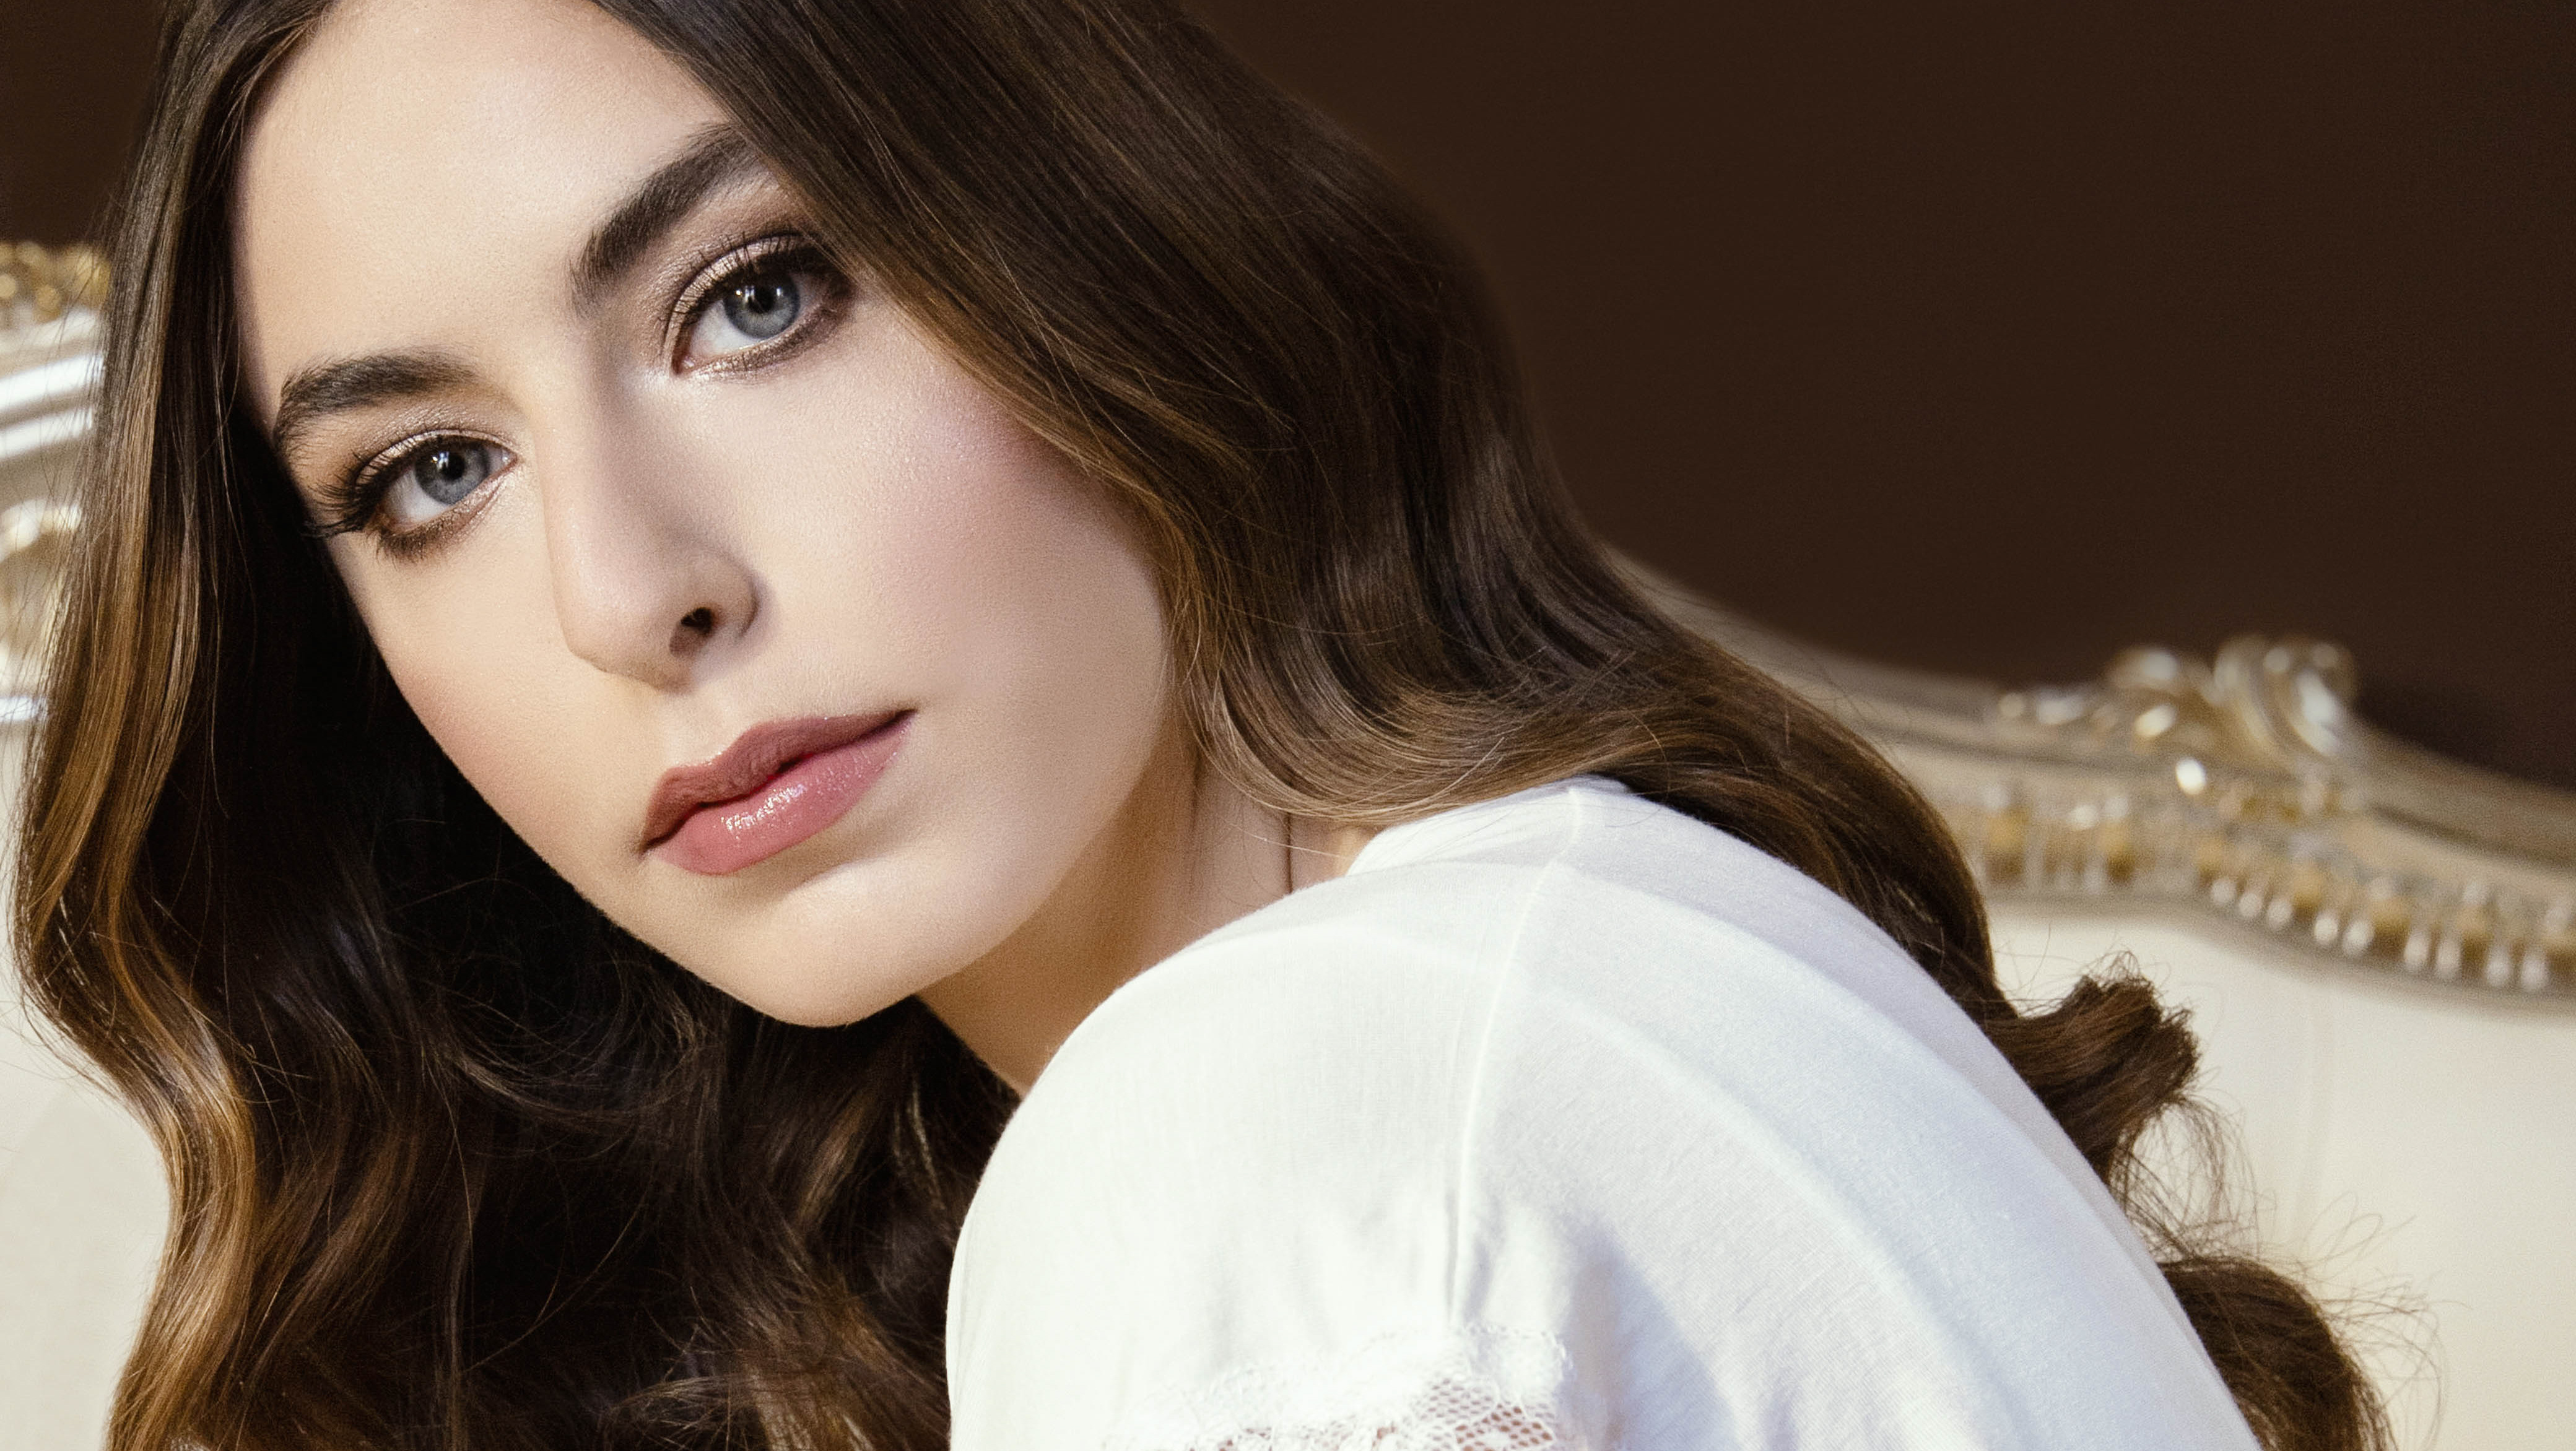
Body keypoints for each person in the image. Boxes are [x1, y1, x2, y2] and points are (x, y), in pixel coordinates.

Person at [16, 0, 2385, 1447]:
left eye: (757, 298)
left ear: (1093, 248)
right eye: (432, 474)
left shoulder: (1270, 1132)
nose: (633, 596)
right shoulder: (1589, 949)